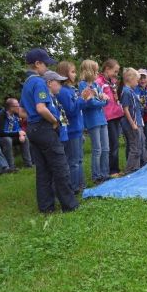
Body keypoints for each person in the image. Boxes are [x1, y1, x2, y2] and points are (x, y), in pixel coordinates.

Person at [20, 48, 78, 213]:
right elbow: (41, 108)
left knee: (43, 170)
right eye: (45, 64)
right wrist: (54, 121)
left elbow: (22, 111)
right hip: (45, 128)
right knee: (60, 167)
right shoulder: (39, 82)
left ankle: (46, 207)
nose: (47, 68)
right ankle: (69, 205)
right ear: (37, 64)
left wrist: (33, 119)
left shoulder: (26, 84)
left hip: (33, 129)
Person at [56, 61, 87, 195]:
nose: (75, 74)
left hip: (78, 128)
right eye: (72, 72)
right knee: (73, 161)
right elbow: (71, 110)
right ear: (65, 74)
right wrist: (81, 99)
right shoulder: (63, 91)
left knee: (79, 159)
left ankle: (81, 184)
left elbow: (79, 107)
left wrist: (85, 99)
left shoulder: (71, 89)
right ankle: (74, 187)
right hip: (71, 131)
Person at [79, 60, 111, 184]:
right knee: (97, 149)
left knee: (106, 148)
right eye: (96, 70)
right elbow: (91, 103)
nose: (97, 73)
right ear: (89, 71)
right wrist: (103, 101)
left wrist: (103, 100)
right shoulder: (83, 85)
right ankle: (96, 176)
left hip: (102, 119)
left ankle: (105, 173)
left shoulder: (96, 85)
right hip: (92, 120)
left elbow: (105, 99)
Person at [0, 97, 32, 171]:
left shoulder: (15, 115)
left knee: (25, 138)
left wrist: (21, 134)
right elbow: (1, 133)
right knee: (7, 140)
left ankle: (28, 164)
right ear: (11, 108)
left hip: (8, 136)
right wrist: (18, 133)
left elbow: (17, 127)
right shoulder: (1, 115)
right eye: (17, 106)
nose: (19, 107)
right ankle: (11, 167)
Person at [96, 59, 123, 177]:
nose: (116, 74)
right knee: (113, 143)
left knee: (115, 142)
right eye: (115, 71)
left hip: (117, 114)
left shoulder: (112, 81)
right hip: (108, 116)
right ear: (107, 69)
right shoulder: (99, 82)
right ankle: (112, 170)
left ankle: (115, 168)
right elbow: (98, 97)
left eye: (117, 72)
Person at [120, 68, 147, 174]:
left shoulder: (131, 91)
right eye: (136, 80)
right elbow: (125, 109)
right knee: (135, 147)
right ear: (130, 79)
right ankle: (129, 170)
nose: (137, 83)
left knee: (139, 145)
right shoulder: (126, 92)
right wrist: (133, 124)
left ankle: (136, 168)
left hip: (138, 122)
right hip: (132, 124)